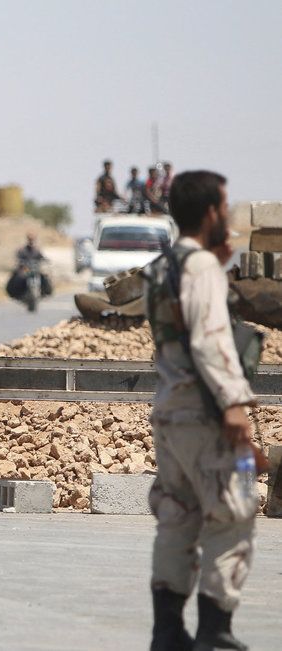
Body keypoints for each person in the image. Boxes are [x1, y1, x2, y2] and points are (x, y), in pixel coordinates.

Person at [143, 170, 258, 650]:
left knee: (178, 516)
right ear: (211, 212)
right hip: (204, 413)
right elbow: (210, 339)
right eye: (225, 208)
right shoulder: (203, 270)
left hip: (170, 412)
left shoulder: (161, 267)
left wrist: (216, 263)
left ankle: (168, 633)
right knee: (232, 513)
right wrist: (235, 403)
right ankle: (215, 632)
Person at [6, 233, 52, 299]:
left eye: (32, 239)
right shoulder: (22, 250)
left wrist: (45, 260)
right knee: (17, 278)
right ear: (28, 240)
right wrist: (20, 262)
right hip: (25, 270)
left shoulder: (37, 250)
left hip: (35, 269)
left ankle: (45, 292)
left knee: (45, 278)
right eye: (30, 239)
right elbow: (18, 257)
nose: (31, 241)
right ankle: (17, 293)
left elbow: (42, 257)